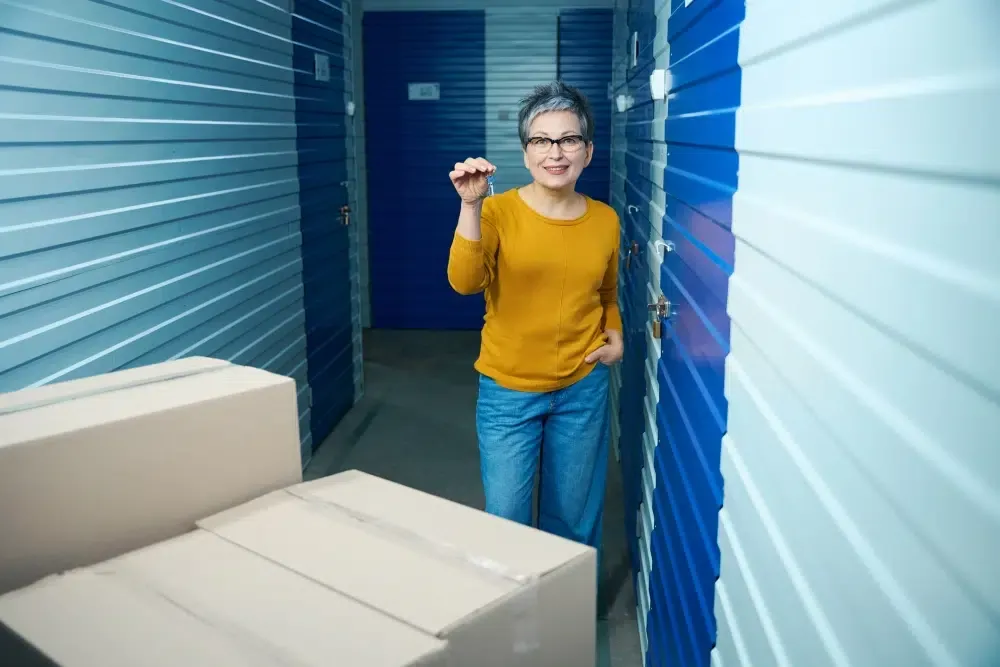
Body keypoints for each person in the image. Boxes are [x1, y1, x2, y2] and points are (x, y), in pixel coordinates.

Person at [446, 81, 623, 565]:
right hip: (509, 391)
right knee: (506, 518)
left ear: (588, 151)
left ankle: (564, 617)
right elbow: (465, 282)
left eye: (568, 140)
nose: (555, 153)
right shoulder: (496, 211)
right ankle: (511, 622)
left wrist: (617, 333)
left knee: (572, 520)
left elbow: (605, 291)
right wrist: (470, 206)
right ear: (526, 153)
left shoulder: (605, 220)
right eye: (542, 141)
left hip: (582, 387)